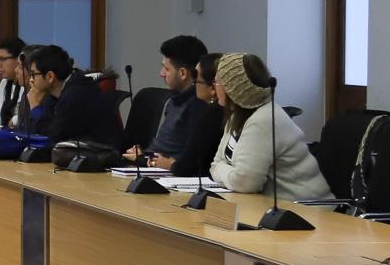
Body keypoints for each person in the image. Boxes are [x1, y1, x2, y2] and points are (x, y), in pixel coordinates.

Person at [207, 53, 329, 198]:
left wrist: (221, 170)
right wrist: (225, 170)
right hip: (267, 207)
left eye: (216, 83)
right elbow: (215, 164)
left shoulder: (263, 120)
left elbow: (245, 183)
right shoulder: (237, 117)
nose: (214, 89)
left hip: (306, 211)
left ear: (232, 88)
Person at [123, 35, 216, 167]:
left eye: (166, 69)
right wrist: (144, 154)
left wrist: (147, 159)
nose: (161, 73)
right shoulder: (175, 100)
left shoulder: (198, 106)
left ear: (183, 73)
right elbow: (165, 150)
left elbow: (185, 162)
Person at [20, 44, 122, 146]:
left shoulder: (76, 94)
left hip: (100, 156)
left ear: (50, 76)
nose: (31, 80)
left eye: (33, 74)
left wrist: (35, 107)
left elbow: (51, 139)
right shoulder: (54, 94)